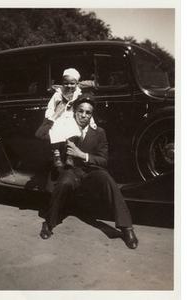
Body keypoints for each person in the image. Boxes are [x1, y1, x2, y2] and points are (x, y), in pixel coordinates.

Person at [35, 93, 138, 250]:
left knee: (107, 178)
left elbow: (103, 161)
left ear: (92, 115)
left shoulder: (99, 132)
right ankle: (49, 223)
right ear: (75, 111)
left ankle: (127, 228)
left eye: (88, 112)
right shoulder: (63, 127)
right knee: (64, 182)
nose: (83, 115)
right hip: (71, 171)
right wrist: (55, 115)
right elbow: (40, 135)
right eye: (80, 111)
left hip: (90, 172)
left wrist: (82, 155)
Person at [44, 68, 96, 168]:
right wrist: (51, 116)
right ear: (62, 83)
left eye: (72, 83)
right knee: (56, 129)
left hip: (71, 117)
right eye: (66, 83)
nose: (69, 86)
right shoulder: (58, 94)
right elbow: (50, 106)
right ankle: (56, 155)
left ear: (77, 83)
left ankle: (69, 156)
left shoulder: (78, 94)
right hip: (59, 116)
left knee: (72, 130)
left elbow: (85, 108)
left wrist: (91, 122)